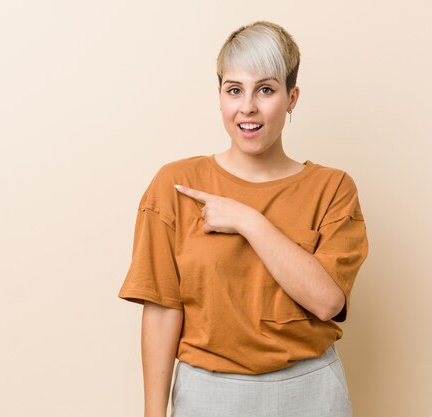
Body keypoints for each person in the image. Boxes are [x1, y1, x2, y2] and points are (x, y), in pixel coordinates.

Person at [117, 20, 369, 417]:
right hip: (207, 394)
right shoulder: (176, 185)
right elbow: (163, 309)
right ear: (219, 96)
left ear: (292, 97)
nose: (247, 107)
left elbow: (326, 301)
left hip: (311, 392)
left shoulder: (333, 188)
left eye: (265, 89)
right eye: (234, 90)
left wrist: (248, 220)